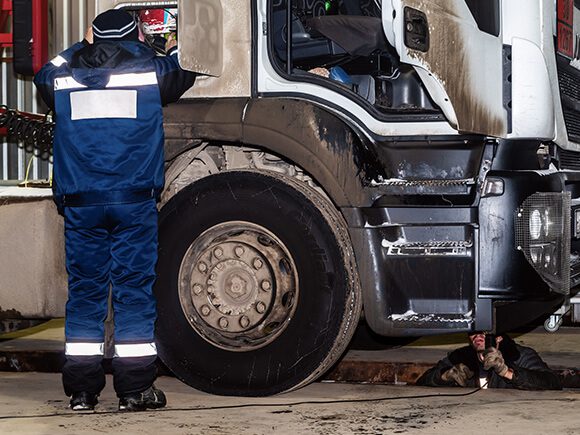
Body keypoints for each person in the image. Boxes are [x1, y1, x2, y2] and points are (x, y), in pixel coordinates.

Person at [34, 9, 196, 411]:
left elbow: (42, 74)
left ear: (92, 36)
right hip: (133, 202)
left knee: (86, 293)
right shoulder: (151, 72)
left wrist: (84, 46)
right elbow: (188, 66)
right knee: (132, 293)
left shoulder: (64, 76)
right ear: (136, 34)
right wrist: (164, 44)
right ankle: (135, 390)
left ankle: (82, 393)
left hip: (82, 203)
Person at [416, 332, 562, 390]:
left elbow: (552, 382)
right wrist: (444, 376)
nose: (478, 335)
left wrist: (507, 372)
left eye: (484, 331)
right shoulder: (461, 357)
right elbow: (422, 382)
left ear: (498, 337)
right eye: (473, 332)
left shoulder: (518, 355)